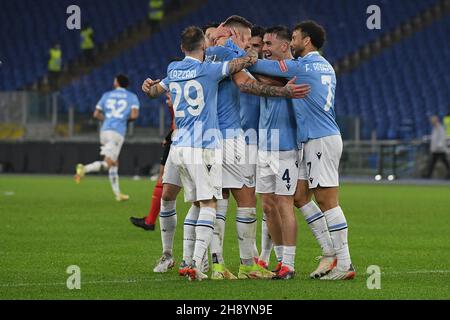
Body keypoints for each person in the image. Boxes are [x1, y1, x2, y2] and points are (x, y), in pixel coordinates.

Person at [142, 26, 262, 281]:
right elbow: (243, 64)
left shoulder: (173, 69)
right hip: (202, 146)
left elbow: (153, 92)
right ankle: (196, 263)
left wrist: (148, 87)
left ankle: (187, 259)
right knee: (209, 203)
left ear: (181, 48)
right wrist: (249, 50)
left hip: (178, 146)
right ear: (204, 47)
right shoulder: (208, 70)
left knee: (195, 203)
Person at [248, 20, 356, 280]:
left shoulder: (305, 66)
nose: (293, 42)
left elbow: (261, 66)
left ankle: (344, 264)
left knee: (328, 201)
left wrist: (245, 54)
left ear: (306, 41)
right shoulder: (326, 66)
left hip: (320, 139)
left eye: (295, 38)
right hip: (316, 138)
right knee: (299, 195)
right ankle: (331, 254)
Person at [206, 15, 309, 280]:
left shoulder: (207, 55)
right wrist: (284, 92)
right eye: (248, 38)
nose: (252, 46)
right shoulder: (234, 56)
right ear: (237, 36)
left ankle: (212, 264)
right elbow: (247, 84)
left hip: (207, 138)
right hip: (234, 138)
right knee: (249, 201)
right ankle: (247, 263)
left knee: (214, 201)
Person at [254, 26, 300, 280]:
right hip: (264, 145)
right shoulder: (269, 69)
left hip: (285, 146)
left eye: (270, 44)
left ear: (285, 46)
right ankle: (280, 260)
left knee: (285, 204)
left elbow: (256, 74)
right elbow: (262, 78)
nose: (265, 49)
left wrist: (261, 80)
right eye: (264, 44)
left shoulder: (295, 67)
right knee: (269, 206)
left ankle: (290, 265)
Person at [75, 75, 139, 202]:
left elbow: (96, 114)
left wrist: (108, 119)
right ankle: (84, 169)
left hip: (104, 130)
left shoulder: (107, 95)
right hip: (117, 132)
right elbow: (134, 115)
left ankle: (118, 194)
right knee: (109, 163)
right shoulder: (132, 97)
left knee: (114, 162)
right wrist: (122, 120)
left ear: (117, 82)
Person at [129, 92, 176, 231]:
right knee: (164, 178)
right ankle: (150, 220)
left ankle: (150, 221)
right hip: (177, 140)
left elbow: (178, 124)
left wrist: (169, 137)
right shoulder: (177, 105)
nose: (167, 99)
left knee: (164, 180)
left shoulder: (181, 104)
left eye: (169, 96)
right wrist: (168, 137)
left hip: (179, 143)